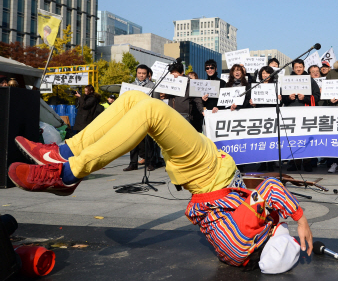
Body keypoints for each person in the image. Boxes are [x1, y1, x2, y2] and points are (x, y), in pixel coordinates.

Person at [8, 90, 313, 273]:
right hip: (201, 177)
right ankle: (62, 153)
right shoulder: (239, 251)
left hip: (206, 169)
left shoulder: (253, 231)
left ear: (273, 238)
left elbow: (272, 189)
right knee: (134, 99)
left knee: (150, 110)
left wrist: (298, 220)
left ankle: (66, 173)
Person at [282, 59, 320, 172]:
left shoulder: (310, 80)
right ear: (293, 68)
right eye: (296, 67)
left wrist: (306, 98)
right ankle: (295, 163)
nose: (298, 69)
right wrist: (288, 98)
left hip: (307, 113)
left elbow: (317, 96)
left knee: (306, 138)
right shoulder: (287, 80)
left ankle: (307, 163)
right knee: (294, 139)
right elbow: (282, 98)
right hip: (291, 113)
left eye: (300, 67)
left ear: (304, 67)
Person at [124, 64, 156, 172]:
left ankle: (150, 163)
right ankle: (133, 163)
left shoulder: (152, 86)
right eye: (139, 73)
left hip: (146, 116)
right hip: (133, 116)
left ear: (147, 74)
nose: (141, 75)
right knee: (133, 140)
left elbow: (155, 102)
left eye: (143, 73)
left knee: (148, 140)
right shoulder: (131, 85)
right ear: (136, 73)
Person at [249, 66, 282, 172]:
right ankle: (262, 163)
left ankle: (271, 163)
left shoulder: (276, 86)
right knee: (261, 140)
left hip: (271, 115)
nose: (265, 75)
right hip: (260, 115)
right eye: (263, 73)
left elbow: (280, 102)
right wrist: (252, 104)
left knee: (271, 139)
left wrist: (280, 99)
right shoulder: (257, 86)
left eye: (267, 73)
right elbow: (254, 102)